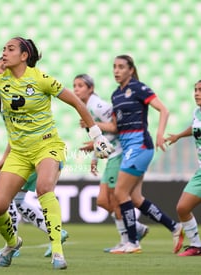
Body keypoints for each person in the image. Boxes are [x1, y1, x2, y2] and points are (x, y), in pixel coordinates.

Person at [0, 37, 113, 269]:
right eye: (3, 49)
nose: (4, 53)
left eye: (10, 49)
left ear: (24, 55)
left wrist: (96, 135)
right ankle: (13, 242)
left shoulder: (41, 79)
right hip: (19, 153)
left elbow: (77, 102)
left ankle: (57, 250)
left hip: (47, 146)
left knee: (44, 188)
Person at [0, 58, 68, 259]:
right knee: (15, 200)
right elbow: (16, 134)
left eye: (0, 68)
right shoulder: (3, 98)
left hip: (39, 152)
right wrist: (5, 157)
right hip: (22, 152)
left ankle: (15, 242)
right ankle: (24, 238)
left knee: (16, 199)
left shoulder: (23, 90)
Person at [108, 54, 183, 254]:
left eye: (121, 67)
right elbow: (116, 127)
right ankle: (175, 227)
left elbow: (164, 110)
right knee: (136, 198)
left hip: (140, 145)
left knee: (120, 193)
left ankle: (133, 241)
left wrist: (159, 134)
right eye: (114, 67)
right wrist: (95, 132)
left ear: (131, 70)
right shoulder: (115, 95)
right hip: (128, 148)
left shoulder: (139, 88)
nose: (116, 70)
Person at [74, 74, 149, 252]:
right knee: (101, 201)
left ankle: (126, 240)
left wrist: (95, 125)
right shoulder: (85, 107)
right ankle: (136, 228)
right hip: (110, 155)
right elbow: (98, 136)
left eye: (80, 86)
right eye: (74, 86)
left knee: (116, 200)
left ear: (90, 88)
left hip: (120, 153)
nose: (76, 89)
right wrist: (94, 156)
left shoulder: (98, 105)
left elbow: (116, 127)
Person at [165, 79, 201, 256]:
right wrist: (178, 136)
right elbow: (195, 128)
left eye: (200, 90)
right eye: (195, 90)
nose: (196, 93)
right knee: (182, 208)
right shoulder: (197, 112)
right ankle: (196, 246)